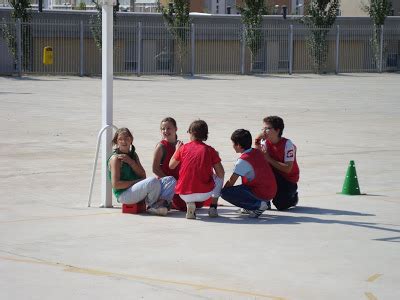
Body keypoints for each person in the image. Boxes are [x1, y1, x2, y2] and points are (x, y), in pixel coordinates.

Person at [108, 127, 176, 216]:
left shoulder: (133, 155)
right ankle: (153, 205)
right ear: (116, 142)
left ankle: (161, 203)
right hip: (124, 194)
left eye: (127, 138)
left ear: (131, 139)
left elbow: (143, 175)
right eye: (120, 139)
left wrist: (131, 162)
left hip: (136, 190)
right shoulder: (115, 159)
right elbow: (116, 185)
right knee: (152, 181)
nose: (124, 141)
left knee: (170, 180)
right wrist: (135, 182)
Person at [169, 120, 225, 219]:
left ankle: (190, 204)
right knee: (219, 177)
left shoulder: (183, 148)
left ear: (191, 133)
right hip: (204, 194)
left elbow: (171, 165)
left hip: (184, 194)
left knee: (187, 178)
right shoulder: (210, 150)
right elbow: (221, 173)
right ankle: (213, 207)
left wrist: (177, 149)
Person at [152, 117, 205, 211]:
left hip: (180, 183)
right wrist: (171, 182)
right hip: (168, 184)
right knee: (183, 206)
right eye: (163, 129)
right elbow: (155, 169)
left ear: (176, 129)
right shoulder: (161, 146)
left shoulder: (181, 145)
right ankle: (163, 200)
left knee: (199, 203)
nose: (165, 131)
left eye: (169, 128)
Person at [221, 129, 277, 218]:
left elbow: (231, 181)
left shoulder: (242, 161)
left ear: (238, 145)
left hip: (262, 193)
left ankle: (257, 205)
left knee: (225, 192)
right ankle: (252, 206)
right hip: (271, 191)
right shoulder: (256, 152)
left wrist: (222, 192)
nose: (233, 146)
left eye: (233, 143)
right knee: (244, 186)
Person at [255, 116, 300, 210]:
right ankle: (265, 200)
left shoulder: (288, 144)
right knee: (257, 168)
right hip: (273, 175)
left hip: (287, 179)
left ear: (277, 130)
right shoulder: (264, 142)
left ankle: (293, 196)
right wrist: (256, 141)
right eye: (263, 128)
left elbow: (288, 168)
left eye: (267, 128)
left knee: (281, 205)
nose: (264, 131)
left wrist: (268, 158)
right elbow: (257, 159)